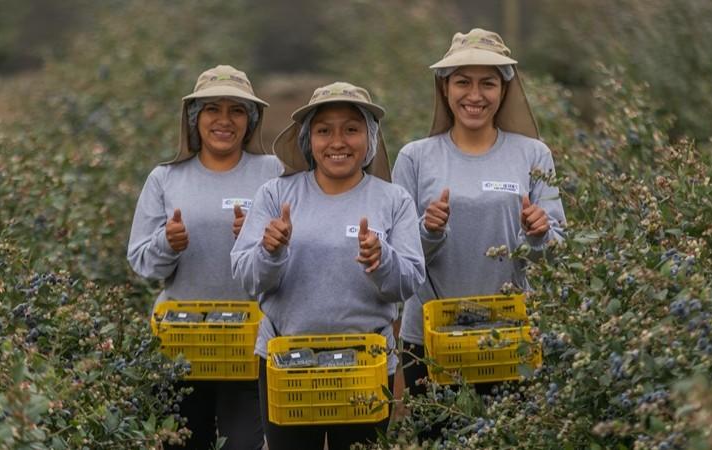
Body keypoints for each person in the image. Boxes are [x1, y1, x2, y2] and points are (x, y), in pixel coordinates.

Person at [230, 82, 426, 450]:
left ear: (369, 139)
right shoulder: (276, 194)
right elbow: (246, 276)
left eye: (351, 129)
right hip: (287, 362)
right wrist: (270, 251)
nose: (338, 141)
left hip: (363, 366)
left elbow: (410, 280)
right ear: (308, 140)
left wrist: (382, 260)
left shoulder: (392, 199)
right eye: (324, 131)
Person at [393, 29, 567, 400]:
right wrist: (429, 231)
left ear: (504, 90)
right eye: (462, 82)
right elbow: (398, 266)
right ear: (444, 88)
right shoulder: (415, 158)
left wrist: (539, 236)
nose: (475, 95)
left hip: (511, 333)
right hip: (431, 338)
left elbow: (557, 254)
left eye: (487, 83)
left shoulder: (533, 154)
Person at [127, 65, 284, 450]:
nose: (224, 120)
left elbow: (297, 253)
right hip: (182, 342)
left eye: (237, 110)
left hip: (250, 342)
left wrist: (262, 241)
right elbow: (142, 262)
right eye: (213, 109)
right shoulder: (166, 178)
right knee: (183, 440)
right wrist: (168, 242)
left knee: (243, 442)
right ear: (195, 118)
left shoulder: (274, 173)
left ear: (250, 121)